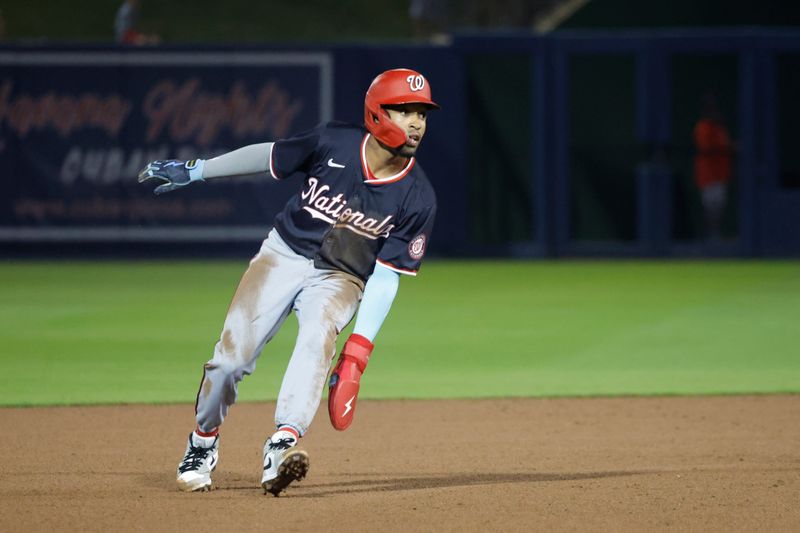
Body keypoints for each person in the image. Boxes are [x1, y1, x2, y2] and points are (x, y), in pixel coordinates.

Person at [138, 68, 438, 496]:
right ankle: (203, 442)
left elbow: (387, 277)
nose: (416, 122)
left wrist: (357, 355)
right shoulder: (334, 141)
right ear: (376, 112)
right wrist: (198, 169)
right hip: (283, 255)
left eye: (423, 114)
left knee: (317, 339)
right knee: (229, 362)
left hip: (341, 276)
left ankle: (283, 443)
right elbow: (269, 155)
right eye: (404, 110)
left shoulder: (418, 196)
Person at [693, 92, 735, 241]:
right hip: (708, 174)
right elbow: (706, 148)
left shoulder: (719, 128)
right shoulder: (703, 127)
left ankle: (715, 235)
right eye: (709, 108)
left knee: (720, 205)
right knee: (710, 207)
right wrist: (729, 148)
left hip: (720, 173)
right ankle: (710, 236)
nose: (713, 111)